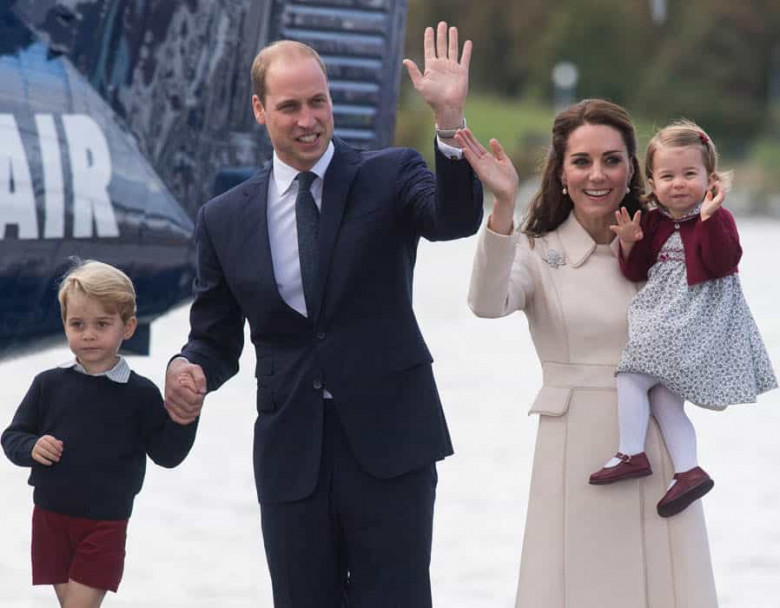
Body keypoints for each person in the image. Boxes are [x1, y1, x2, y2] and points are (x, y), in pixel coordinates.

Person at [163, 23, 483, 608]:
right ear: (260, 110)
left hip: (391, 447)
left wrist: (448, 122)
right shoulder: (223, 218)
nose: (308, 119)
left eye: (318, 102)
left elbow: (454, 220)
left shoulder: (390, 174)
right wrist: (188, 369)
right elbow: (213, 338)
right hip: (291, 456)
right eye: (290, 107)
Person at [462, 100, 718, 607]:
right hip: (574, 454)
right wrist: (504, 204)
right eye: (581, 161)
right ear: (561, 173)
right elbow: (486, 304)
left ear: (632, 170)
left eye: (611, 160)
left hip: (658, 455)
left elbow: (709, 338)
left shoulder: (669, 248)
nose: (597, 175)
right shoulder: (535, 250)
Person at [589, 120, 777, 515]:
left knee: (631, 374)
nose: (678, 184)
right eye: (668, 176)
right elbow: (635, 272)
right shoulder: (653, 221)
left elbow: (722, 262)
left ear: (710, 179)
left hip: (694, 321)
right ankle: (688, 470)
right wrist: (629, 243)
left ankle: (631, 452)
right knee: (663, 397)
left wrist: (708, 218)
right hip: (668, 318)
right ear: (652, 182)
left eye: (690, 174)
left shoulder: (718, 218)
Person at [1, 260, 198, 608]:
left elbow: (167, 454)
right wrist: (32, 446)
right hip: (50, 517)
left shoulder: (141, 394)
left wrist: (186, 415)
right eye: (77, 324)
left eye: (102, 324)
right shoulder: (48, 384)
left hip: (105, 523)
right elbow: (12, 437)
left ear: (128, 327)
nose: (88, 334)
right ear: (64, 323)